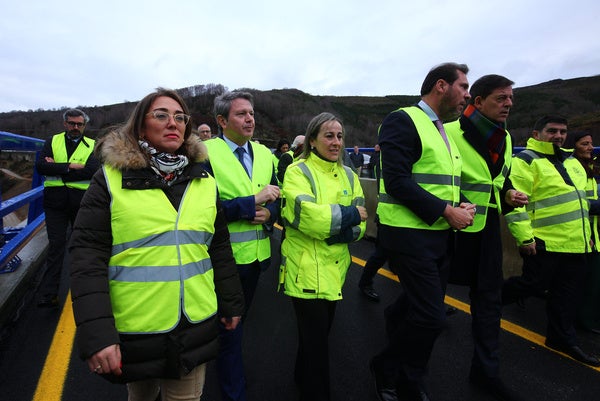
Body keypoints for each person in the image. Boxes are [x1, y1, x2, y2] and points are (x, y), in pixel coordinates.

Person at [69, 88, 245, 401]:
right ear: (140, 126)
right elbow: (87, 257)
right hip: (138, 327)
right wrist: (97, 335)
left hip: (194, 324)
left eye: (180, 117)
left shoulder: (204, 181)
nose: (173, 123)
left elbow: (218, 247)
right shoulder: (110, 179)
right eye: (161, 115)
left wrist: (231, 302)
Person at [370, 62, 475, 401]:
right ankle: (385, 367)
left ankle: (410, 380)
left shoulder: (444, 130)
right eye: (463, 87)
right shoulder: (404, 120)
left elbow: (443, 182)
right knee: (431, 317)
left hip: (439, 236)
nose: (467, 95)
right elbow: (397, 180)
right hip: (408, 236)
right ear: (441, 86)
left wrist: (462, 204)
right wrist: (448, 211)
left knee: (416, 310)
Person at [445, 74, 529, 400]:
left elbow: (497, 182)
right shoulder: (448, 133)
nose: (508, 103)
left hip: (488, 230)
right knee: (421, 301)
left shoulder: (504, 139)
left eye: (511, 98)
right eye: (500, 98)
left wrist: (508, 195)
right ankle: (397, 344)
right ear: (477, 102)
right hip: (452, 228)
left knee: (490, 303)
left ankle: (485, 372)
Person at [279, 112, 367, 401]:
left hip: (335, 271)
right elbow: (308, 217)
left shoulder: (349, 174)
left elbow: (362, 227)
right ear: (313, 140)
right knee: (318, 346)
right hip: (305, 269)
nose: (336, 142)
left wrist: (336, 230)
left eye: (340, 136)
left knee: (316, 338)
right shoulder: (297, 171)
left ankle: (299, 378)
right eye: (329, 136)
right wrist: (350, 216)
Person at [502, 115, 600, 367]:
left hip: (576, 244)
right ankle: (490, 300)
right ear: (536, 134)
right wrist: (524, 238)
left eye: (562, 131)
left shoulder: (573, 162)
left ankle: (561, 339)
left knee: (566, 297)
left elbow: (580, 204)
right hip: (544, 242)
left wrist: (587, 236)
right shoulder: (524, 161)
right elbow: (516, 204)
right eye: (552, 131)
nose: (558, 136)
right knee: (531, 285)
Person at [203, 91, 280, 401]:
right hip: (221, 259)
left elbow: (277, 196)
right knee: (230, 327)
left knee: (235, 322)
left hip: (256, 258)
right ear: (222, 121)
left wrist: (268, 213)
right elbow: (201, 209)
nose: (250, 119)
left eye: (251, 112)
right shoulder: (205, 152)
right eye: (241, 114)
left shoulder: (264, 153)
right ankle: (233, 391)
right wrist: (250, 203)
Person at [35, 108, 100, 308]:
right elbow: (41, 167)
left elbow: (92, 171)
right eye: (72, 123)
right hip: (55, 203)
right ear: (65, 123)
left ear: (84, 125)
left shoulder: (92, 145)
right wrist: (73, 167)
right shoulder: (51, 141)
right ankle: (49, 294)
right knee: (56, 247)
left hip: (81, 203)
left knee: (82, 248)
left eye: (79, 124)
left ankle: (86, 293)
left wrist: (60, 166)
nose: (75, 127)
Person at [564, 131, 600, 334]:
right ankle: (584, 321)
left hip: (591, 231)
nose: (590, 147)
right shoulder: (572, 167)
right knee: (584, 281)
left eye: (591, 143)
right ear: (573, 146)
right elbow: (578, 201)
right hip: (580, 231)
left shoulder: (588, 167)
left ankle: (586, 319)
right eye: (584, 143)